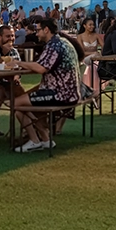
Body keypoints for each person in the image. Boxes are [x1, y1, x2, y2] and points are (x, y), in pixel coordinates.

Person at [10, 17, 80, 152]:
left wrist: (18, 63)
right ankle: (44, 139)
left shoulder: (54, 45)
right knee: (21, 105)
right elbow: (41, 65)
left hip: (60, 93)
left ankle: (36, 140)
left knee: (16, 103)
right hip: (70, 92)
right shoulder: (63, 42)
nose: (36, 34)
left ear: (46, 30)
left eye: (38, 30)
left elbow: (41, 68)